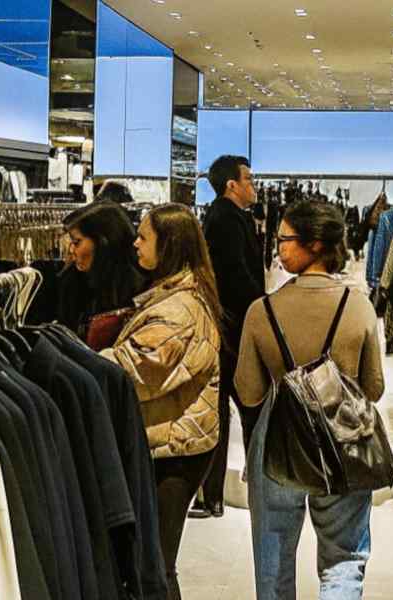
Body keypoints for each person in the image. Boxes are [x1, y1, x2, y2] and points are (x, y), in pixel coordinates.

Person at [233, 200, 384, 600]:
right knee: (343, 557)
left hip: (277, 440)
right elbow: (374, 388)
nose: (278, 247)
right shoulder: (358, 306)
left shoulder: (261, 310)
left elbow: (248, 392)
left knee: (273, 559)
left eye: (286, 239)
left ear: (315, 244)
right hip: (343, 435)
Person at [99, 204, 224, 600]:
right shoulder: (181, 293)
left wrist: (65, 360)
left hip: (174, 450)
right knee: (155, 563)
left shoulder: (177, 311)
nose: (135, 243)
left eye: (143, 236)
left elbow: (133, 371)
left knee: (155, 566)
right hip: (176, 442)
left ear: (167, 244)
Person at [196, 154, 265, 518]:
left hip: (233, 327)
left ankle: (215, 495)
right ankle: (233, 490)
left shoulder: (231, 217)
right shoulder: (225, 220)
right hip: (232, 330)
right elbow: (235, 276)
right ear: (232, 185)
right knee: (246, 405)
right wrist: (261, 310)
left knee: (233, 408)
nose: (254, 185)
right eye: (249, 179)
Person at [63, 202, 147, 349]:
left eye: (77, 242)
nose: (71, 250)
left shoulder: (142, 293)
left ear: (103, 243)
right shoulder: (72, 281)